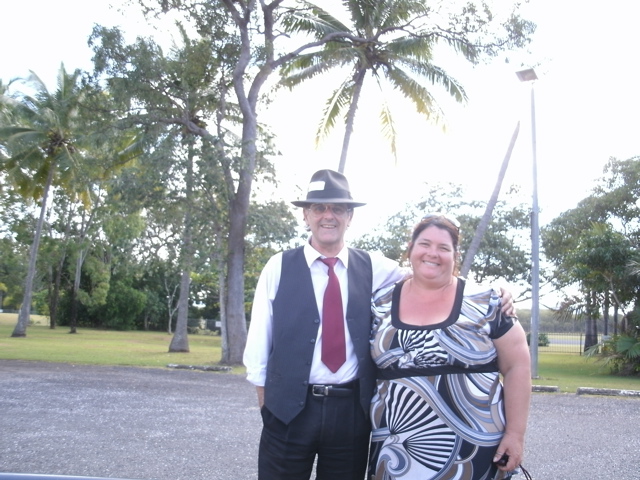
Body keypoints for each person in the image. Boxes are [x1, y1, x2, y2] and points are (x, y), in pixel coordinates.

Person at [243, 170, 517, 480]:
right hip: (289, 412)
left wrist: (495, 290)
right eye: (319, 208)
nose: (328, 216)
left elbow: (430, 268)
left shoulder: (374, 266)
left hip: (350, 414)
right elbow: (258, 348)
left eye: (338, 208)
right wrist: (271, 411)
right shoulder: (278, 267)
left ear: (350, 216)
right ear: (306, 215)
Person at [368, 214, 531, 480]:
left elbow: (517, 366)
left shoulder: (487, 301)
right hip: (396, 451)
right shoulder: (379, 303)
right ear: (410, 248)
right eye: (425, 244)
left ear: (455, 254)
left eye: (443, 247)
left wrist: (515, 435)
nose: (433, 253)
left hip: (476, 449)